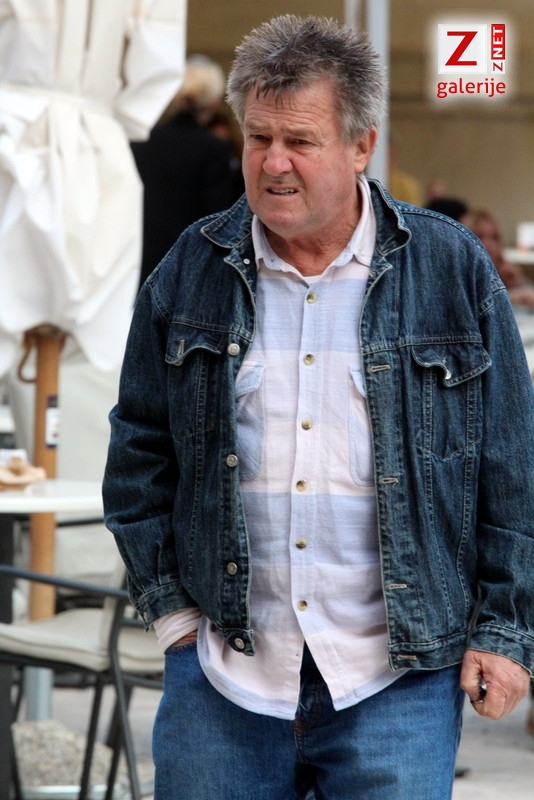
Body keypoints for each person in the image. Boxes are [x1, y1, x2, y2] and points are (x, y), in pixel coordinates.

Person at [103, 15, 534, 800]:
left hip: (397, 680)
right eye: (258, 138)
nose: (273, 163)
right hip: (224, 680)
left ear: (362, 145)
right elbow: (138, 450)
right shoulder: (191, 268)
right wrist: (174, 617)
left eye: (299, 141)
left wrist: (505, 632)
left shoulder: (451, 269)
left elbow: (512, 469)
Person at [131, 55, 238, 290]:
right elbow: (217, 218)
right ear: (213, 102)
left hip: (139, 261)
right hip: (187, 267)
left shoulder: (141, 142)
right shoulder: (213, 148)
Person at [466, 208, 534, 308]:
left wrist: (519, 282)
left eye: (494, 237)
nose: (489, 244)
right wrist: (509, 298)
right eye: (480, 236)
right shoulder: (461, 274)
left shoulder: (503, 271)